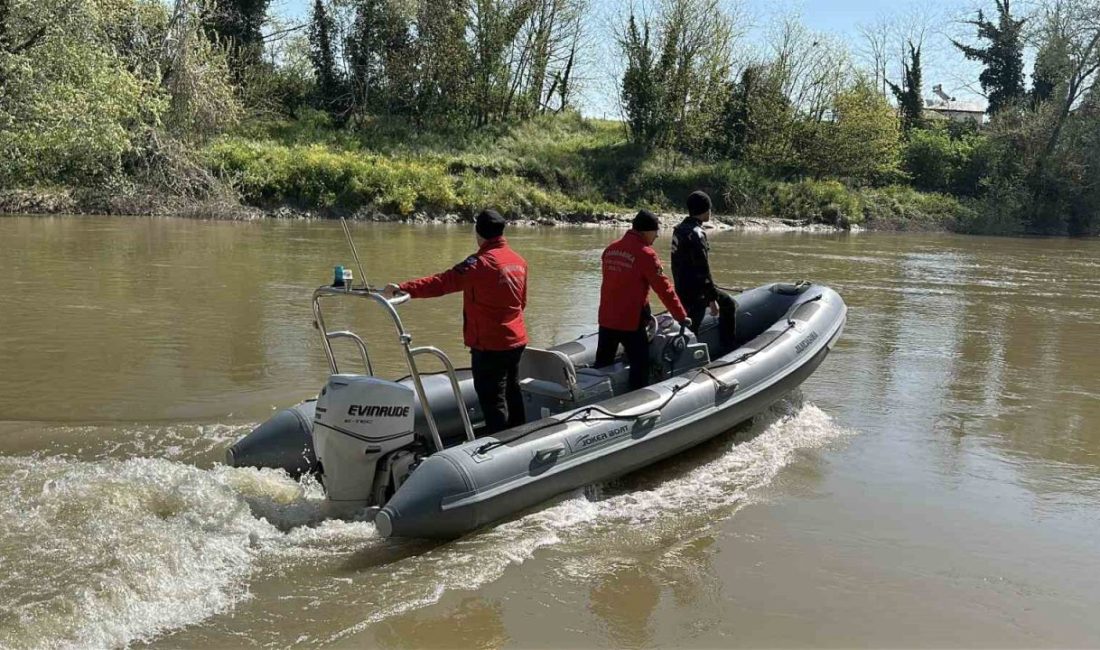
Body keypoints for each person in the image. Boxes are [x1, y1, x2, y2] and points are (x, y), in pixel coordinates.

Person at [381, 210, 528, 434]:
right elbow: (522, 303)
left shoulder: (478, 264)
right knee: (512, 390)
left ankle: (501, 440)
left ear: (478, 232)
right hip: (516, 341)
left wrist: (404, 288)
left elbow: (441, 283)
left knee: (492, 398)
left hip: (490, 346)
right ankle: (522, 433)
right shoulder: (519, 261)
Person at [596, 210, 691, 391]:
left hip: (606, 319)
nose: (657, 235)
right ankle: (637, 399)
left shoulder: (610, 250)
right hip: (630, 322)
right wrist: (680, 315)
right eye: (656, 231)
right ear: (646, 231)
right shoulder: (646, 255)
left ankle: (598, 398)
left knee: (602, 365)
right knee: (640, 365)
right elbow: (664, 289)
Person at [671, 190, 737, 348]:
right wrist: (711, 299)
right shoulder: (697, 233)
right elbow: (702, 268)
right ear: (705, 210)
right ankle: (727, 346)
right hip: (697, 292)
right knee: (728, 304)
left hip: (681, 286)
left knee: (691, 323)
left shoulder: (679, 229)